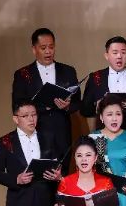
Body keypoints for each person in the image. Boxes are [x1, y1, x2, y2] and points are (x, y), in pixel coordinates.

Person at [11, 28, 80, 156]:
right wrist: (43, 107)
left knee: (63, 167)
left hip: (62, 135)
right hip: (35, 133)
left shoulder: (68, 71)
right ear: (34, 49)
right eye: (43, 48)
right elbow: (17, 106)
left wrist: (67, 106)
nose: (48, 51)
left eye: (51, 47)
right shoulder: (22, 75)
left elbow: (77, 103)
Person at [80, 36, 126, 135]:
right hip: (103, 134)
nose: (119, 56)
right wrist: (97, 106)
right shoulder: (95, 77)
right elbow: (84, 110)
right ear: (106, 55)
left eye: (123, 52)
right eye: (115, 53)